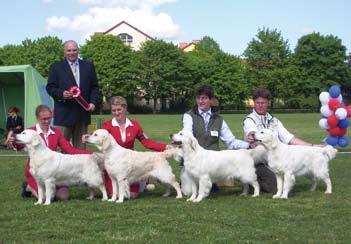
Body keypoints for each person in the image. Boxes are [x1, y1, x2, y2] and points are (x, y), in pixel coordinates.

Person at [243, 87, 321, 193]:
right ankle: (251, 179)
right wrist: (252, 135)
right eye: (257, 103)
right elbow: (251, 131)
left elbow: (290, 139)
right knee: (275, 187)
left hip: (274, 160)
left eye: (263, 103)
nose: (260, 105)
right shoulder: (249, 119)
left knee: (282, 179)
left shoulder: (274, 121)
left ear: (268, 103)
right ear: (254, 103)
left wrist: (313, 146)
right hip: (258, 162)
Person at [6, 104, 91, 200]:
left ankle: (46, 189)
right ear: (37, 118)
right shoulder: (30, 131)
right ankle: (28, 186)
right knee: (47, 196)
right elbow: (20, 144)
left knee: (63, 196)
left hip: (53, 172)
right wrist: (14, 142)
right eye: (44, 119)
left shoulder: (56, 132)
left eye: (49, 118)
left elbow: (70, 150)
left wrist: (91, 154)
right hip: (36, 172)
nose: (47, 121)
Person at [98, 96, 173, 199]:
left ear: (125, 109)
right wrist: (88, 138)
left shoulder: (134, 125)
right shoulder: (107, 125)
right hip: (114, 165)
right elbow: (98, 138)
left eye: (119, 109)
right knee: (114, 195)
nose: (116, 113)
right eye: (113, 110)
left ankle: (142, 179)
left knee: (132, 196)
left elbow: (146, 142)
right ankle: (143, 183)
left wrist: (165, 146)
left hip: (131, 167)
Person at [182, 84, 249, 192]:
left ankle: (211, 182)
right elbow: (187, 133)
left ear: (211, 100)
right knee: (188, 192)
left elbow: (231, 142)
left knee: (206, 185)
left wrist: (249, 145)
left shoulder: (219, 119)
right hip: (193, 161)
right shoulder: (189, 116)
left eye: (204, 98)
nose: (200, 101)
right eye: (198, 98)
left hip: (211, 164)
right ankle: (195, 181)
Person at [46, 40, 99, 149]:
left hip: (82, 114)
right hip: (64, 114)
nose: (72, 53)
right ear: (64, 52)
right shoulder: (56, 67)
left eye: (74, 50)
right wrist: (61, 94)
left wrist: (92, 102)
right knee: (62, 149)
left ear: (78, 50)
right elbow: (50, 87)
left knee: (81, 150)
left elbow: (94, 87)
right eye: (69, 50)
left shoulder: (88, 66)